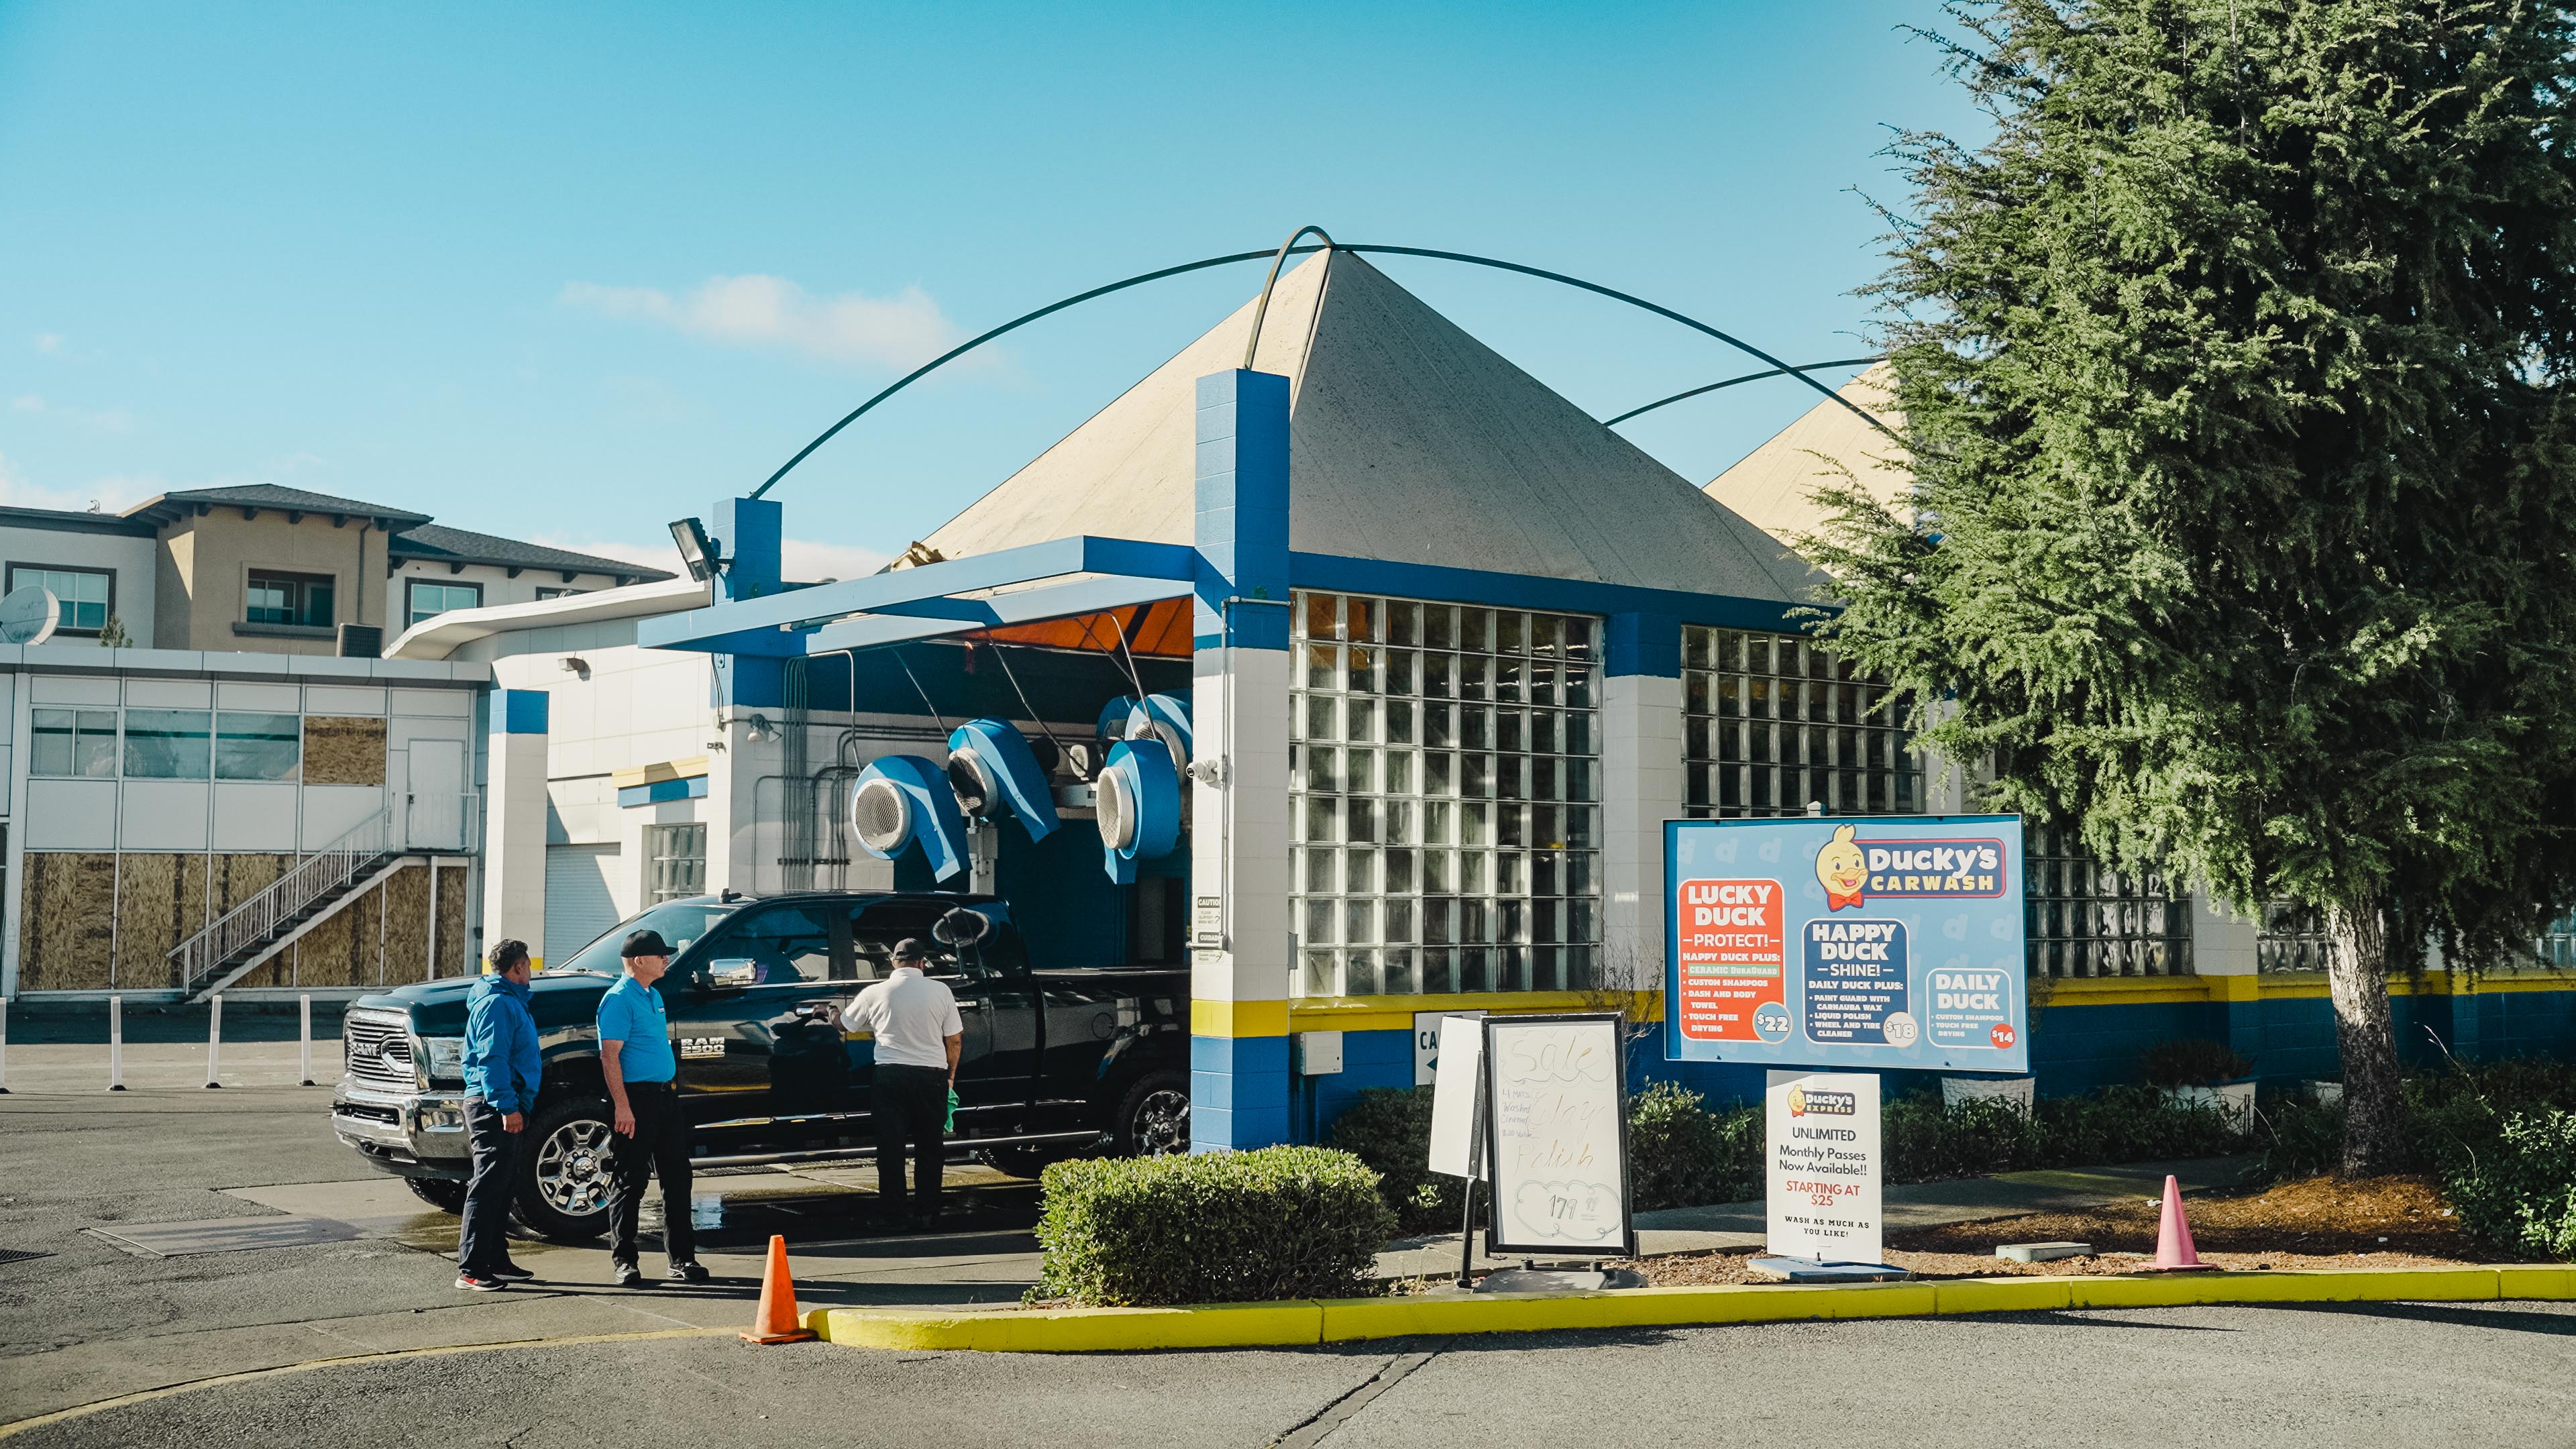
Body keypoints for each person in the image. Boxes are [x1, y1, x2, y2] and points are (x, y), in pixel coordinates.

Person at [597, 928, 707, 1287]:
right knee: (631, 1180)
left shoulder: (653, 994)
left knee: (678, 1177)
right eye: (660, 955)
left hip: (665, 1098)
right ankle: (624, 1261)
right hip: (637, 1100)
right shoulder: (618, 999)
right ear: (639, 960)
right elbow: (610, 1057)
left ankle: (682, 1259)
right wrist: (623, 1108)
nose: (667, 959)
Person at [839, 937, 963, 1230]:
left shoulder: (875, 992)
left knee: (891, 1149)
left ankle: (893, 1214)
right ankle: (928, 1212)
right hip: (931, 1076)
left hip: (890, 1076)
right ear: (922, 963)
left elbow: (845, 1025)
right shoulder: (941, 991)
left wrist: (829, 1011)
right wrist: (950, 1076)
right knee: (930, 1148)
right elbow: (955, 1038)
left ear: (894, 962)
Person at [455, 938, 541, 1292]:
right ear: (518, 968)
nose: (531, 974)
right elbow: (493, 1059)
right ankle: (472, 1268)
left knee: (503, 1184)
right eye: (529, 968)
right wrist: (506, 1107)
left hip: (506, 1102)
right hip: (494, 1106)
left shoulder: (505, 1001)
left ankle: (495, 1259)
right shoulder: (497, 1004)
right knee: (488, 1185)